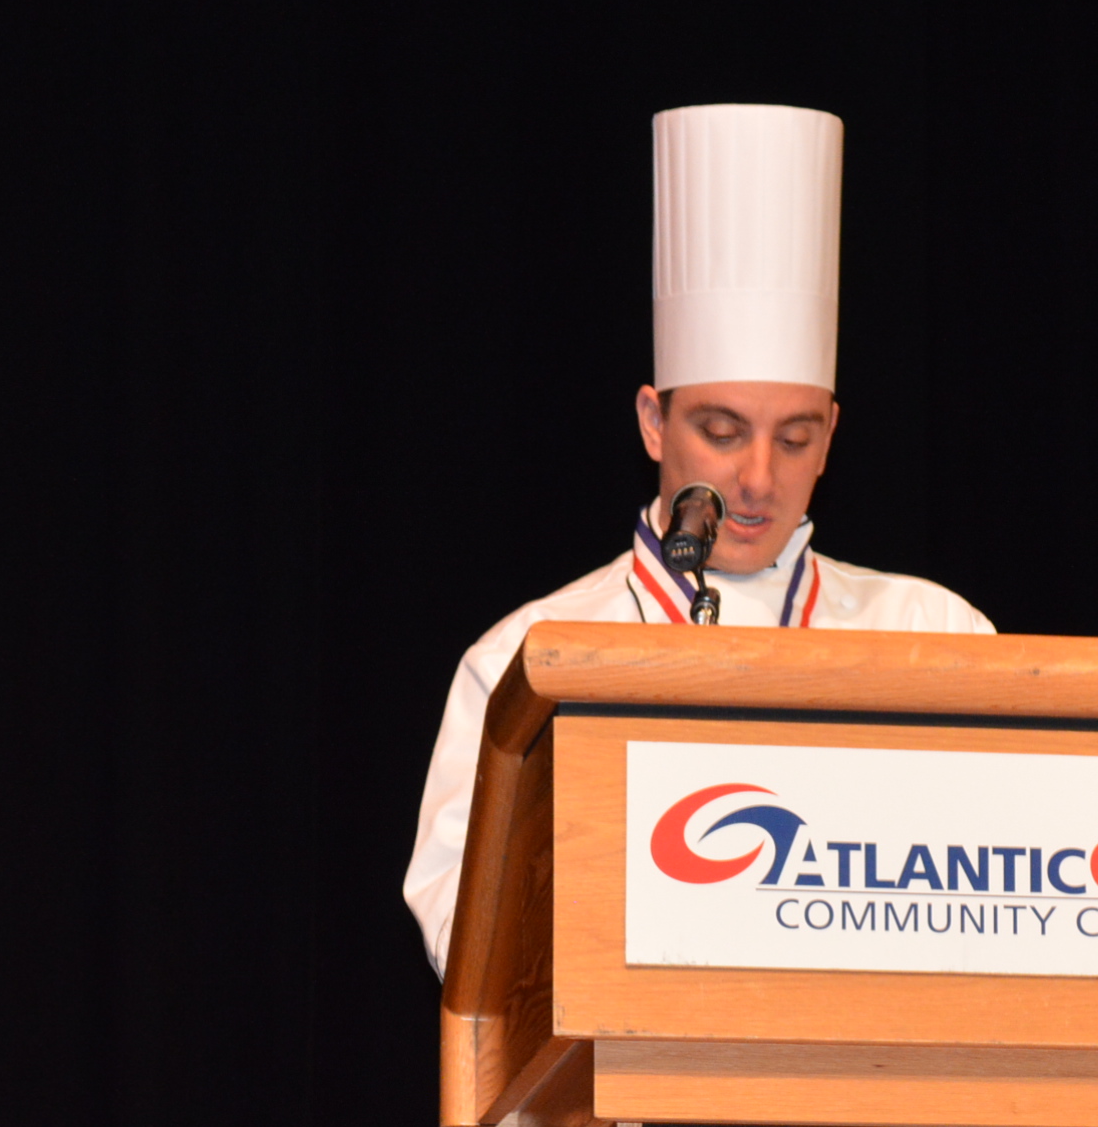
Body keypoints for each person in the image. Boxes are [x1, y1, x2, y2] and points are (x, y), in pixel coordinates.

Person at [402, 102, 994, 973]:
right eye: (721, 432)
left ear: (830, 435)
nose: (757, 477)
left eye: (794, 438)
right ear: (653, 422)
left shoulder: (936, 636)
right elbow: (471, 941)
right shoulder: (528, 658)